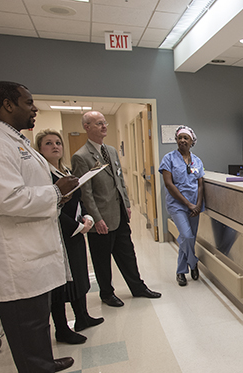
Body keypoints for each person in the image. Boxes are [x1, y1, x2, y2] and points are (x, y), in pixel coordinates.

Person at [0, 81, 81, 373]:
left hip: (30, 248)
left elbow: (33, 186)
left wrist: (58, 193)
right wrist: (56, 192)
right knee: (25, 322)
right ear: (7, 105)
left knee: (36, 319)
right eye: (28, 103)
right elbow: (7, 199)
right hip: (13, 254)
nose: (34, 108)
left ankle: (40, 366)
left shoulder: (15, 140)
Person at [71, 111, 161, 307]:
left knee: (127, 253)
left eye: (105, 123)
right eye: (98, 124)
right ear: (87, 127)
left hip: (119, 213)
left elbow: (120, 179)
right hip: (101, 218)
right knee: (102, 260)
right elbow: (86, 193)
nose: (104, 127)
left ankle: (138, 287)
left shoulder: (110, 151)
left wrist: (127, 204)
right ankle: (106, 293)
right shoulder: (81, 157)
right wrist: (96, 218)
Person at [35, 129, 104, 344]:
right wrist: (76, 226)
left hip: (75, 231)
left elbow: (78, 200)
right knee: (62, 281)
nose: (55, 146)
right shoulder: (43, 176)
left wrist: (86, 217)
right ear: (39, 150)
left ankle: (82, 316)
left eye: (58, 142)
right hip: (59, 234)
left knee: (80, 273)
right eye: (48, 143)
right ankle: (62, 328)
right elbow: (50, 208)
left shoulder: (66, 171)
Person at [159, 126, 205, 286]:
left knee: (189, 239)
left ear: (192, 141)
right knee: (186, 236)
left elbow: (200, 185)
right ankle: (193, 263)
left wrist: (198, 204)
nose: (182, 141)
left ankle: (180, 272)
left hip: (195, 205)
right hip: (177, 204)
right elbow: (169, 184)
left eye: (186, 138)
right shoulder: (168, 159)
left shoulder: (197, 161)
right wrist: (188, 204)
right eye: (180, 138)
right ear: (176, 140)